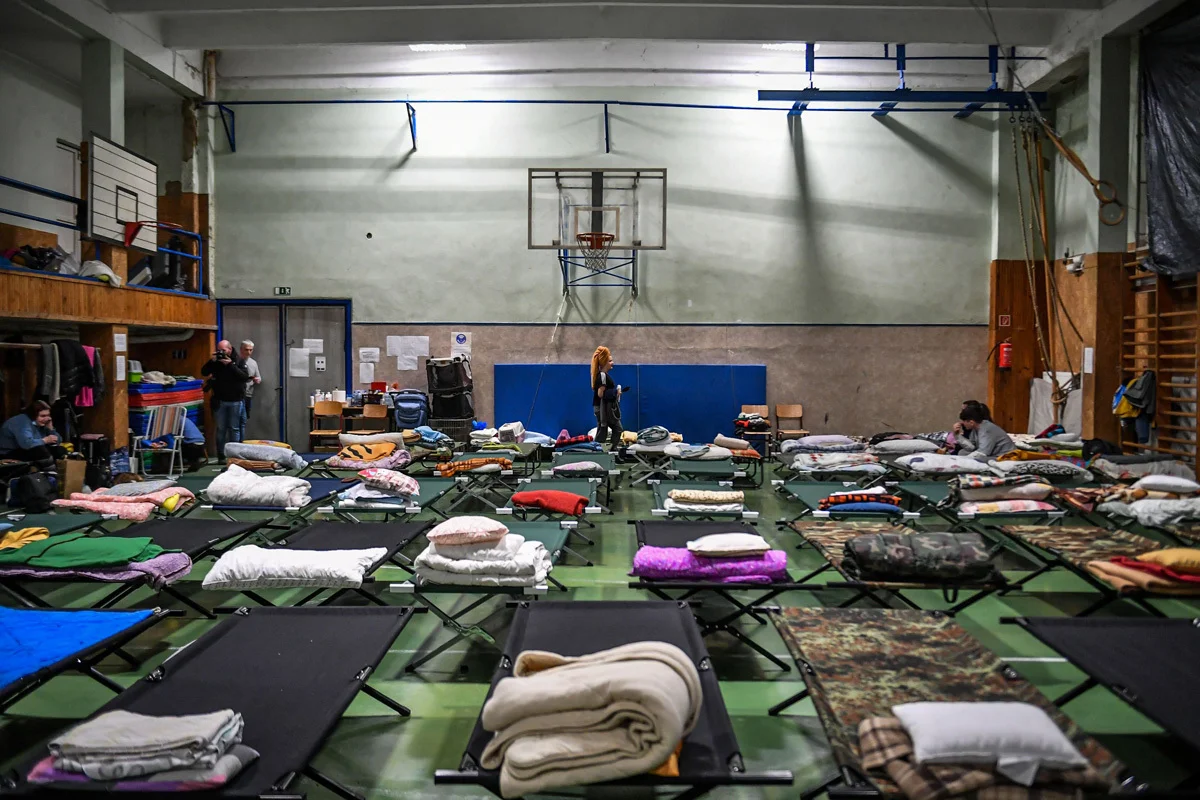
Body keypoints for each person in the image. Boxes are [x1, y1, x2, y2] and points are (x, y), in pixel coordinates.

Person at [201, 339, 250, 460]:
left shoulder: (239, 360)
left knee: (234, 428)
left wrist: (230, 365)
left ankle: (235, 455)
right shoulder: (216, 362)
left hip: (235, 400)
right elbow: (204, 372)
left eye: (223, 350)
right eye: (219, 350)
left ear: (229, 349)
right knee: (221, 429)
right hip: (220, 400)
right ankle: (221, 455)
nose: (221, 352)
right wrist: (211, 361)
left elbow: (244, 377)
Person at [0, 400, 66, 475]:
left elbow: (58, 440)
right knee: (40, 451)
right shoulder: (22, 422)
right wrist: (45, 440)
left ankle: (62, 475)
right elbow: (27, 444)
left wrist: (51, 428)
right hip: (8, 453)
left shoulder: (41, 423)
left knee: (59, 450)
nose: (47, 419)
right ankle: (53, 476)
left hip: (26, 450)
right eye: (43, 416)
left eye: (48, 415)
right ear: (33, 415)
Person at [590, 346, 629, 450]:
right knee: (606, 429)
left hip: (604, 407)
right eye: (610, 361)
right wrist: (616, 392)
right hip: (602, 408)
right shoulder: (602, 376)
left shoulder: (603, 375)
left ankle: (607, 449)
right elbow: (600, 394)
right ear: (604, 362)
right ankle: (600, 450)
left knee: (608, 429)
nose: (612, 363)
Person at [239, 339, 262, 440]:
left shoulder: (253, 363)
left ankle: (241, 441)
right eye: (246, 350)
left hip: (248, 394)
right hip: (237, 395)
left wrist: (257, 379)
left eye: (251, 350)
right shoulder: (237, 361)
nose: (248, 352)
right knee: (238, 420)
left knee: (244, 419)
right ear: (241, 349)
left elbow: (258, 376)